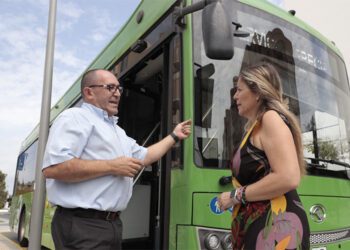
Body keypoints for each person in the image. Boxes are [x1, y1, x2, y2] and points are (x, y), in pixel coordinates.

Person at [42, 69, 192, 250]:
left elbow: (145, 156)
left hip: (111, 225)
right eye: (110, 87)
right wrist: (112, 166)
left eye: (119, 89)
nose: (118, 93)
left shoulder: (118, 132)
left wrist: (174, 136)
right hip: (83, 225)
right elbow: (54, 168)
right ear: (89, 92)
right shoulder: (75, 117)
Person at [217, 63, 310, 249]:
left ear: (257, 92)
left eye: (239, 90)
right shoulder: (256, 126)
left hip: (275, 228)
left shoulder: (270, 118)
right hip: (266, 226)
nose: (234, 96)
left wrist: (235, 196)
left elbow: (288, 177)